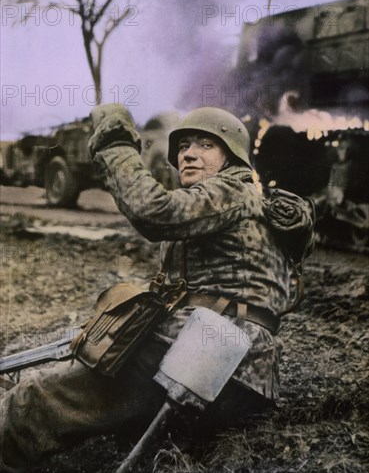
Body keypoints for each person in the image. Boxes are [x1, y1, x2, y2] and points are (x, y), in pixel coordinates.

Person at [0, 105, 314, 472]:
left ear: (232, 157)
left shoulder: (233, 192)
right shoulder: (249, 205)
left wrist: (114, 142)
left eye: (205, 144)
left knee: (36, 400)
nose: (188, 153)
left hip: (201, 354)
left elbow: (152, 210)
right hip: (243, 378)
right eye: (183, 146)